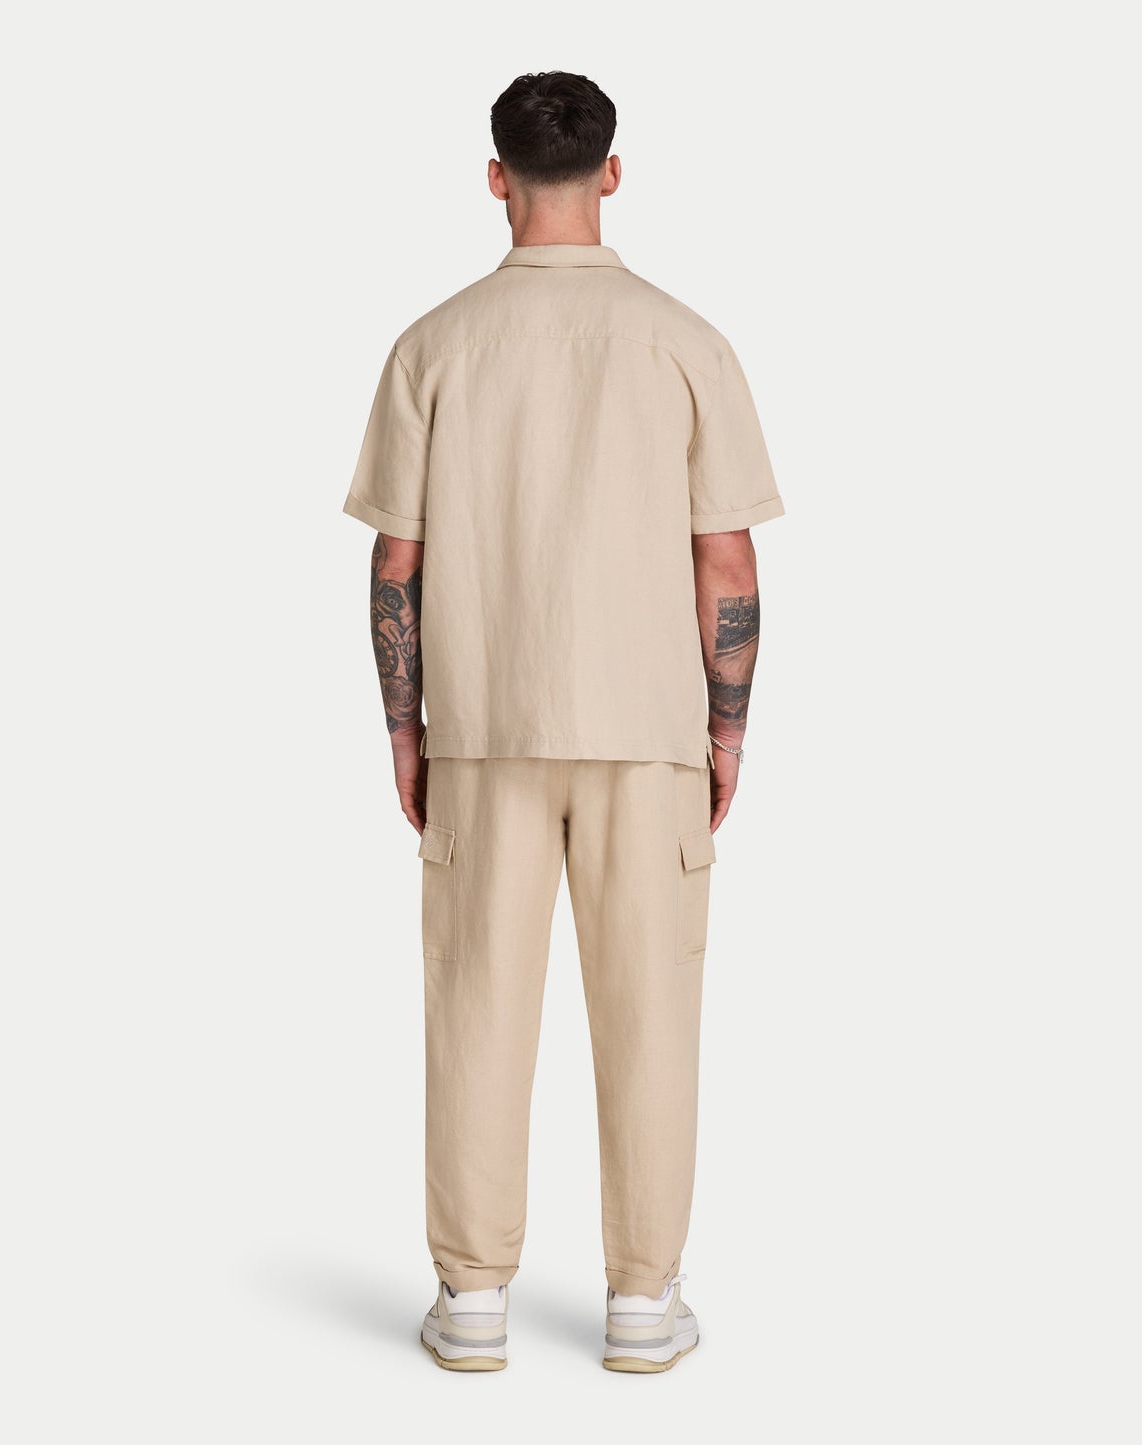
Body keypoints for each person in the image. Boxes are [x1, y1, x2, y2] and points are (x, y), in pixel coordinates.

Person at [343, 70, 784, 1373]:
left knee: (475, 1007)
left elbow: (397, 567)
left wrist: (406, 730)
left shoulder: (433, 345)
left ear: (495, 177)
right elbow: (726, 565)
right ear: (612, 173)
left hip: (486, 724)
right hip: (647, 728)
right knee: (652, 1014)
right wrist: (725, 734)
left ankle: (473, 1297)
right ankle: (643, 1302)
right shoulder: (685, 341)